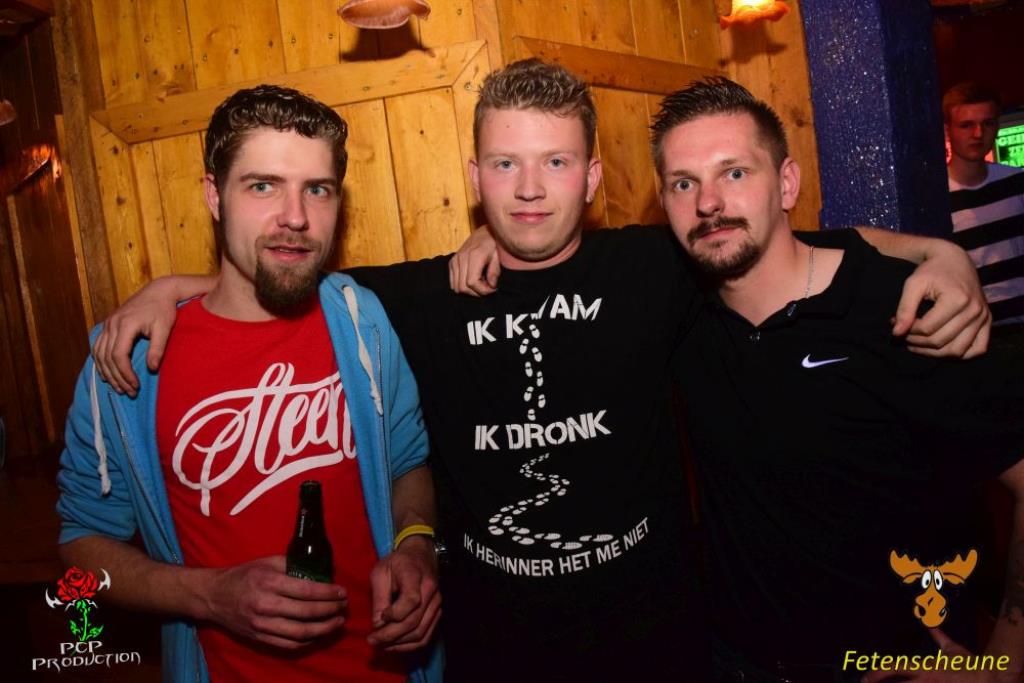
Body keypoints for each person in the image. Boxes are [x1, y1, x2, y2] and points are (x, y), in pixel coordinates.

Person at [91, 61, 990, 682]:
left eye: (555, 162)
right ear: (475, 174)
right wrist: (173, 288)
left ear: (592, 177)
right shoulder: (416, 296)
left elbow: (789, 242)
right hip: (496, 651)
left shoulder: (658, 265)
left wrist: (937, 252)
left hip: (662, 646)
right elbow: (285, 268)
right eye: (507, 163)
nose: (529, 189)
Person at [56, 85, 442, 683]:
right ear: (214, 196)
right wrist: (208, 596)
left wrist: (416, 546)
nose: (296, 216)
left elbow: (407, 463)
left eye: (318, 189)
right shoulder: (127, 359)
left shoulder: (360, 322)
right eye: (263, 186)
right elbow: (80, 549)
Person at [651, 77, 1024, 681]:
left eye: (735, 173)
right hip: (735, 664)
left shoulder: (901, 309)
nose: (709, 202)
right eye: (683, 183)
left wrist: (1007, 658)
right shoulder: (676, 305)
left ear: (787, 184)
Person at [944, 82, 1024, 336]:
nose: (978, 133)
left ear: (997, 127)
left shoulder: (1017, 181)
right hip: (974, 334)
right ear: (948, 131)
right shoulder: (936, 198)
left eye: (987, 123)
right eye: (966, 125)